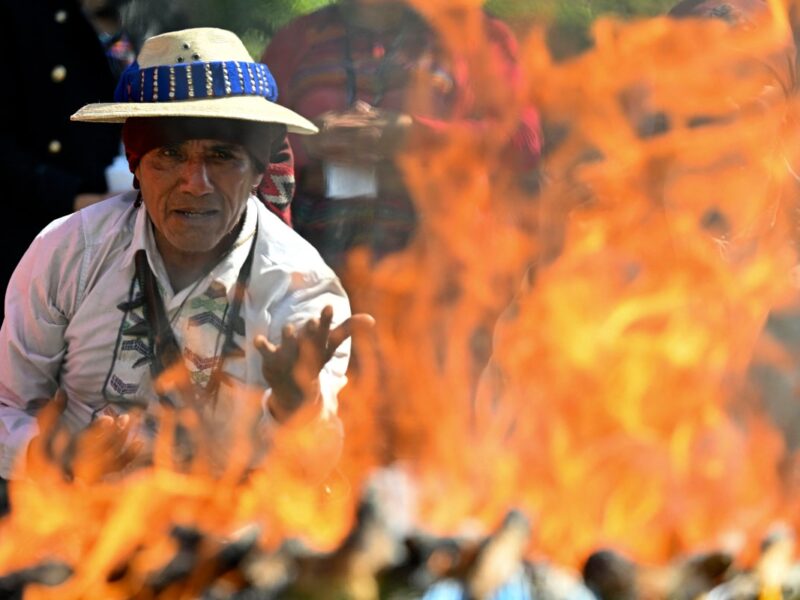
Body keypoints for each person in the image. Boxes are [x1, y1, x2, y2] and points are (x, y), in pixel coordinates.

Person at [0, 27, 373, 479]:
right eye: (170, 155)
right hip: (80, 529)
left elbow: (313, 468)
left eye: (221, 156)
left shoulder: (301, 288)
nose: (196, 183)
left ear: (257, 171)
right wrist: (61, 456)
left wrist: (299, 404)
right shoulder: (68, 252)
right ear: (137, 166)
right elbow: (8, 407)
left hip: (224, 539)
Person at [260, 0, 543, 272]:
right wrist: (309, 141)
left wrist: (412, 134)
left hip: (442, 269)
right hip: (308, 264)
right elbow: (247, 145)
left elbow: (523, 143)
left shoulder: (475, 35)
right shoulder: (298, 39)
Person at [0, 0, 135, 325]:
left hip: (120, 222)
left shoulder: (147, 15)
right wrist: (73, 197)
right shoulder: (18, 15)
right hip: (34, 229)